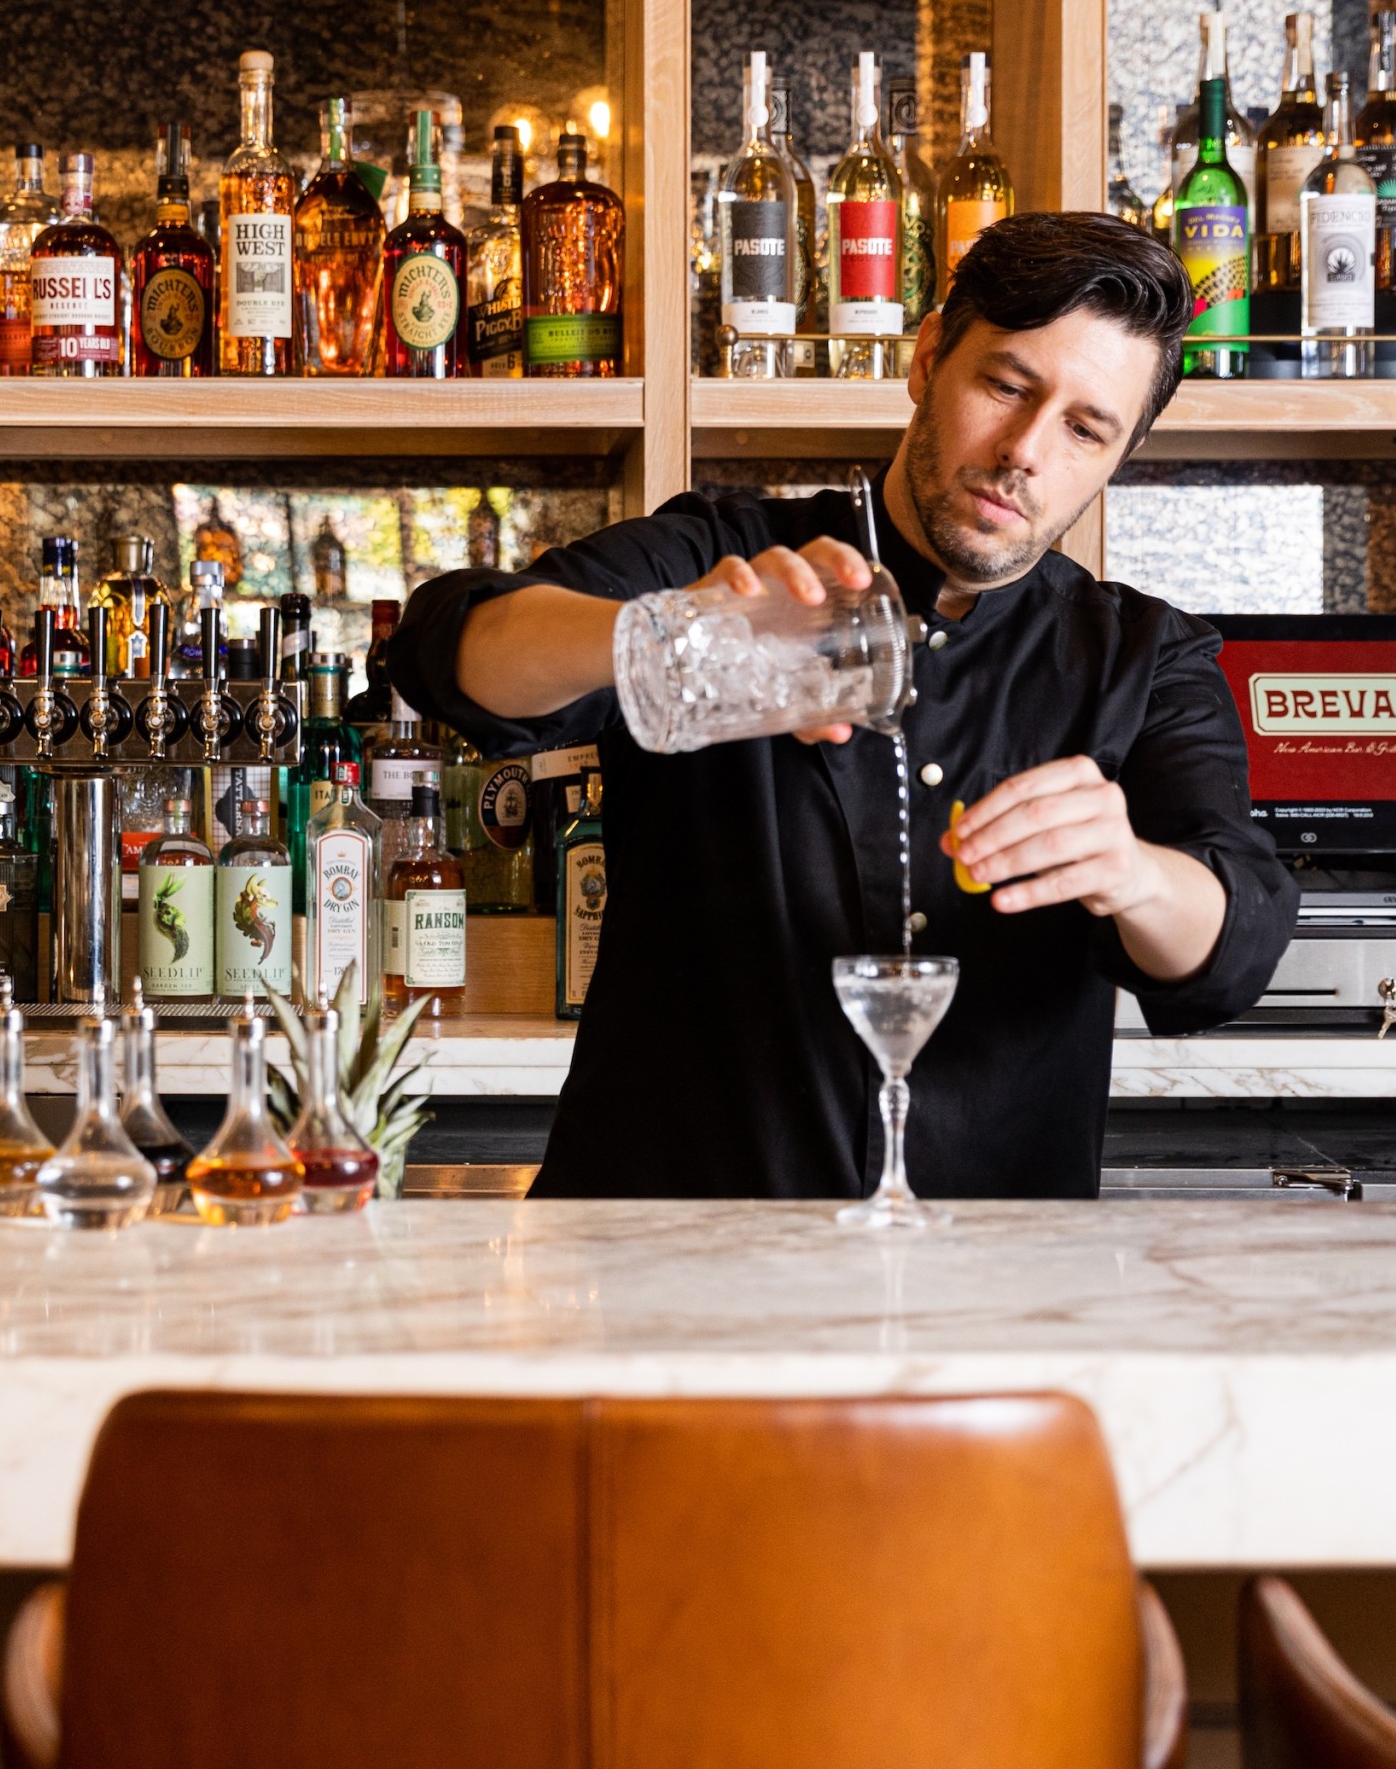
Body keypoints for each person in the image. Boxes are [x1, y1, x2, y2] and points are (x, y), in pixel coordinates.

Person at [389, 213, 1298, 1198]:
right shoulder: (718, 556)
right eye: (1003, 385)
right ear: (925, 359)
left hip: (992, 1295)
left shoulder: (1142, 655)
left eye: (1084, 428)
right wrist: (672, 636)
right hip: (670, 1277)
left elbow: (1229, 944)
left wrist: (1130, 873)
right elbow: (449, 649)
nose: (1026, 450)